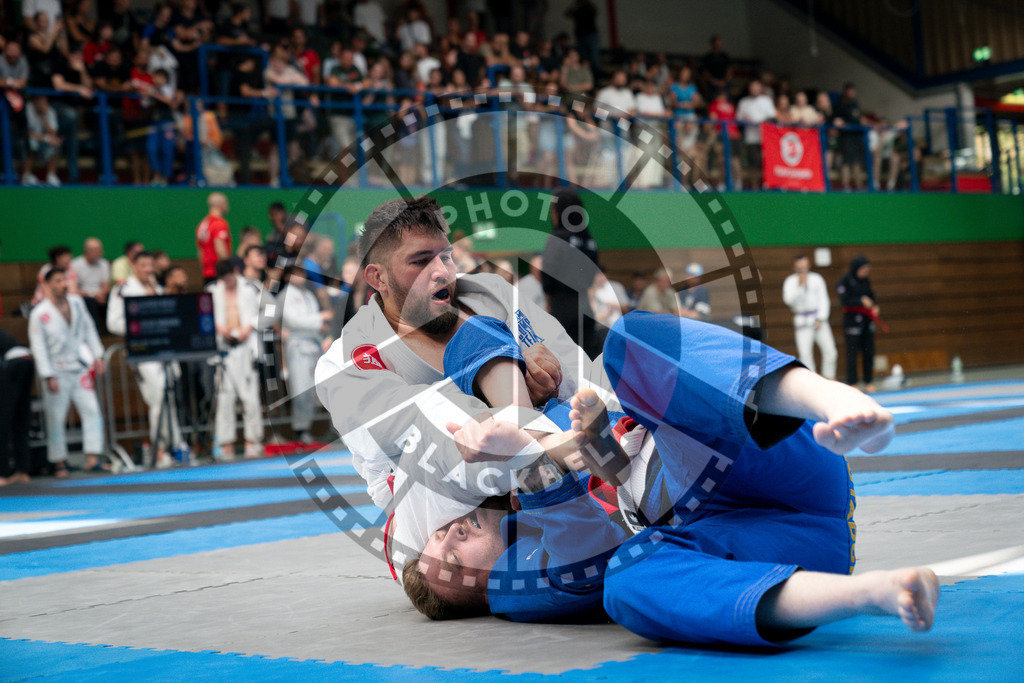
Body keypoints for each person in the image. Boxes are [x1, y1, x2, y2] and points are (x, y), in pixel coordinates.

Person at [406, 312, 936, 648]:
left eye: (443, 533)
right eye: (452, 561)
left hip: (776, 462)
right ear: (478, 593)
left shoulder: (519, 489)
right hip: (763, 549)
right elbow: (590, 541)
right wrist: (532, 451)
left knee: (630, 342)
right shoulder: (515, 587)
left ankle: (827, 396)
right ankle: (866, 594)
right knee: (628, 582)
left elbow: (616, 479)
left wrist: (578, 433)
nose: (452, 536)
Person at [315, 196, 600, 564]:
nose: (443, 272)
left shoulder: (491, 294)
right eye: (420, 261)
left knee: (631, 347)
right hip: (443, 521)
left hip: (554, 477)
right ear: (377, 277)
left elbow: (577, 371)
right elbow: (418, 433)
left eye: (446, 256)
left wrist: (551, 379)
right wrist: (507, 377)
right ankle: (554, 448)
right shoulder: (347, 359)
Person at [109, 250, 189, 466]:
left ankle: (171, 447)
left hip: (163, 348)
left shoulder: (156, 287)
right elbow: (113, 322)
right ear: (133, 266)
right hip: (142, 350)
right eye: (143, 265)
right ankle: (161, 448)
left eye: (150, 266)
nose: (147, 270)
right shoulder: (123, 289)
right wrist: (140, 326)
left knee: (166, 398)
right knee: (159, 396)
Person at [28, 268, 107, 477]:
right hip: (56, 371)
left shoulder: (77, 303)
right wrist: (47, 375)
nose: (63, 284)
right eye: (57, 280)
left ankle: (92, 457)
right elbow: (38, 347)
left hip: (79, 367)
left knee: (92, 410)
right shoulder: (39, 313)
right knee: (56, 417)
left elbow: (89, 329)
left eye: (64, 280)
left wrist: (98, 356)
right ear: (46, 285)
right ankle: (60, 462)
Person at [540, 188, 602, 358]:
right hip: (586, 310)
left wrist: (549, 302)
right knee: (589, 365)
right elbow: (591, 276)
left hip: (563, 309)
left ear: (559, 212)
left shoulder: (557, 238)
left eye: (553, 210)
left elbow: (548, 276)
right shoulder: (590, 241)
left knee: (566, 367)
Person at [210, 259, 263, 459]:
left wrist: (250, 325)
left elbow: (270, 309)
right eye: (223, 279)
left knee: (250, 397)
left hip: (246, 347)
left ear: (236, 271)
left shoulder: (252, 287)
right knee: (224, 398)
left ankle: (252, 441)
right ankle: (226, 444)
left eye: (230, 277)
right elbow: (205, 316)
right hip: (224, 350)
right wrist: (218, 326)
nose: (227, 282)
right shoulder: (213, 290)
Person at [283, 267, 331, 444]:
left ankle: (306, 428)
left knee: (311, 390)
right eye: (295, 274)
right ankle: (299, 429)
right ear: (288, 276)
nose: (300, 277)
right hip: (296, 345)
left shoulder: (309, 295)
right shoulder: (286, 295)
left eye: (302, 274)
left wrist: (321, 330)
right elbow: (293, 321)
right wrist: (320, 318)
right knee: (300, 389)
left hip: (313, 344)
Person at [783, 254, 838, 380]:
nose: (802, 269)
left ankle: (829, 378)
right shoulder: (790, 281)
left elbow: (824, 300)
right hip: (802, 321)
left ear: (808, 266)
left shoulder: (817, 279)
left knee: (831, 352)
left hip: (819, 320)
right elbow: (788, 301)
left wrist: (821, 318)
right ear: (795, 267)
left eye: (805, 266)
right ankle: (812, 381)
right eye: (799, 267)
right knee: (805, 355)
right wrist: (800, 286)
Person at [837, 255, 879, 392]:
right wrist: (860, 301)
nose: (866, 271)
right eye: (863, 269)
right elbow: (845, 300)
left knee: (869, 352)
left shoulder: (866, 281)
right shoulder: (845, 281)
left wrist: (875, 306)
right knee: (852, 353)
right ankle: (852, 382)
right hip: (852, 322)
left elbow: (872, 297)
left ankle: (868, 381)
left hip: (866, 322)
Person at [0, 330, 35, 485]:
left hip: (13, 364)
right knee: (21, 419)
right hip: (27, 360)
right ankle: (22, 470)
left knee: (3, 422)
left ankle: (2, 473)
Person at [70, 237, 111, 333]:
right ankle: (95, 331)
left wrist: (102, 294)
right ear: (87, 251)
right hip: (84, 296)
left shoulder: (104, 263)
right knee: (91, 302)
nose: (101, 252)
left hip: (100, 295)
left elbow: (106, 285)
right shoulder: (75, 265)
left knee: (111, 297)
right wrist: (92, 294)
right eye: (97, 250)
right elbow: (74, 289)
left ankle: (109, 330)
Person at [197, 192, 232, 285]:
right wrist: (228, 271)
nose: (227, 206)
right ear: (219, 205)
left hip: (206, 273)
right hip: (219, 273)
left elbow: (200, 251)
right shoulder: (219, 223)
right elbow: (220, 247)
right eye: (226, 203)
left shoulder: (203, 224)